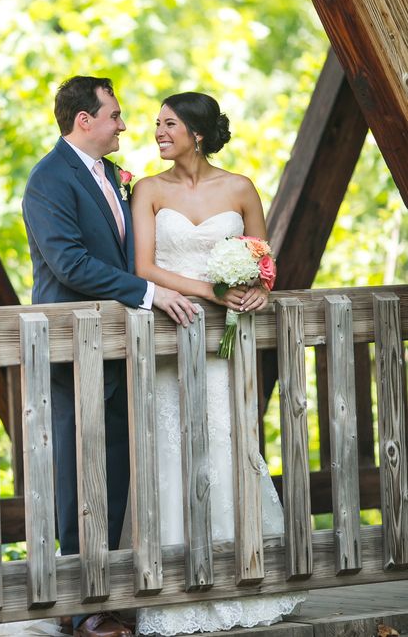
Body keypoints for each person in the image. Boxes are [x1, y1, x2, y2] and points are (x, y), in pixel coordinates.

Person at [22, 76, 198, 637]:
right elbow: (69, 263)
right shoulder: (49, 180)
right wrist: (148, 293)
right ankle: (79, 611)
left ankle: (110, 597)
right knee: (77, 477)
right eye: (116, 115)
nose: (125, 124)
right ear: (84, 121)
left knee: (115, 475)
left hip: (118, 352)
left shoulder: (113, 180)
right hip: (74, 350)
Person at [131, 91, 307, 636]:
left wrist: (257, 290)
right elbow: (142, 266)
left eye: (168, 125)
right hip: (171, 336)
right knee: (171, 451)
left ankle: (246, 576)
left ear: (197, 132)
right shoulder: (148, 191)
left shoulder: (239, 188)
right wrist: (212, 289)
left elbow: (264, 261)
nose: (158, 132)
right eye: (156, 124)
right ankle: (171, 590)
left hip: (228, 346)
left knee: (230, 443)